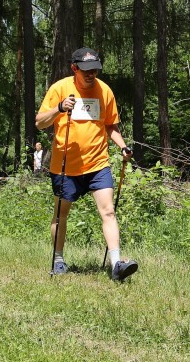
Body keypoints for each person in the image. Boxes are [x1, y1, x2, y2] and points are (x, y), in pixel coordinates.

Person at [35, 47, 138, 280]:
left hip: (97, 163)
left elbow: (110, 125)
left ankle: (116, 265)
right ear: (74, 69)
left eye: (95, 70)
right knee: (61, 214)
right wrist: (59, 108)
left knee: (108, 211)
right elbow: (40, 122)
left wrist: (122, 146)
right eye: (86, 70)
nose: (91, 74)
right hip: (66, 166)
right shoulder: (59, 88)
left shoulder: (105, 91)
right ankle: (59, 259)